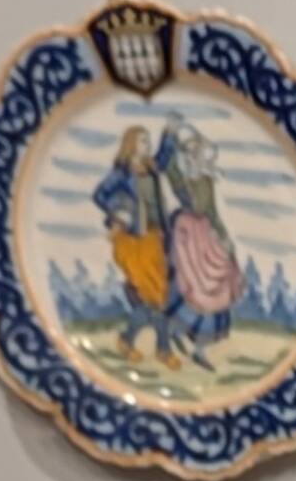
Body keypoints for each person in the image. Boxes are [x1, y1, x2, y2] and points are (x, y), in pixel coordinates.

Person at [156, 120, 244, 362]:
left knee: (217, 285)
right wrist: (169, 135)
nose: (196, 155)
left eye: (199, 152)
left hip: (205, 233)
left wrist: (224, 237)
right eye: (191, 151)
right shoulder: (178, 173)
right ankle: (174, 330)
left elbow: (212, 211)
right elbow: (161, 162)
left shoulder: (205, 179)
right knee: (189, 286)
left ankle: (200, 350)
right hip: (185, 235)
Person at [92, 127, 173, 360]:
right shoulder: (121, 173)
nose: (148, 144)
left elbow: (163, 158)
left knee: (157, 294)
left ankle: (133, 342)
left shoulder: (151, 168)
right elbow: (99, 195)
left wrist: (168, 135)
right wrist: (118, 213)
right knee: (153, 294)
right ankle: (161, 349)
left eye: (149, 140)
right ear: (132, 145)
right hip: (131, 239)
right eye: (143, 140)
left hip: (153, 236)